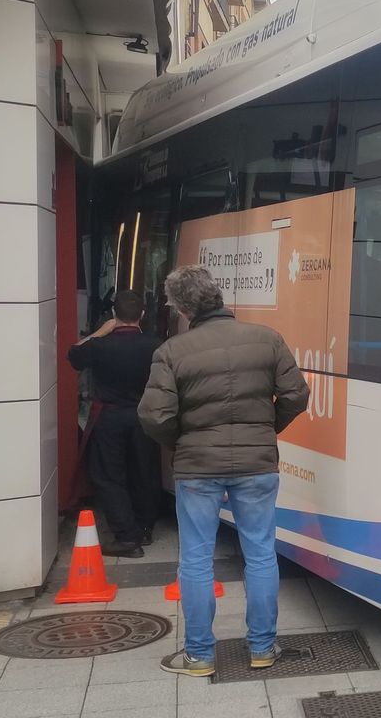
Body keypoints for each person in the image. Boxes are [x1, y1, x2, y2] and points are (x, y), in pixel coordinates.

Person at [138, 265, 309, 678]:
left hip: (197, 469)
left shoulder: (172, 351)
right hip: (256, 465)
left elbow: (154, 415)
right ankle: (263, 648)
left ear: (181, 307)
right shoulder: (267, 339)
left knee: (196, 559)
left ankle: (199, 655)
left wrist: (183, 441)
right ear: (218, 295)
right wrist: (265, 429)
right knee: (262, 553)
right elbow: (296, 395)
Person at [67, 290, 162, 558]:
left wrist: (100, 332)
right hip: (144, 415)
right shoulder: (155, 345)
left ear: (113, 315)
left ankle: (126, 535)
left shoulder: (99, 346)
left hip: (109, 416)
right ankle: (145, 526)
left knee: (109, 476)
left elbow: (73, 355)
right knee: (145, 470)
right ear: (142, 315)